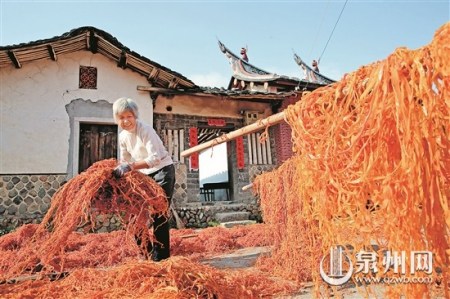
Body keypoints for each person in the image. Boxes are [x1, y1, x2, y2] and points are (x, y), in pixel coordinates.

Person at [112, 97, 175, 262]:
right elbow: (124, 161)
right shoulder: (123, 137)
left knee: (159, 215)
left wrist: (130, 166)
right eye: (121, 117)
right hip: (143, 175)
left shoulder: (146, 130)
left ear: (135, 116)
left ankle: (161, 259)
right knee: (135, 216)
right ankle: (145, 252)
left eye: (129, 116)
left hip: (162, 172)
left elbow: (155, 159)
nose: (126, 121)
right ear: (117, 119)